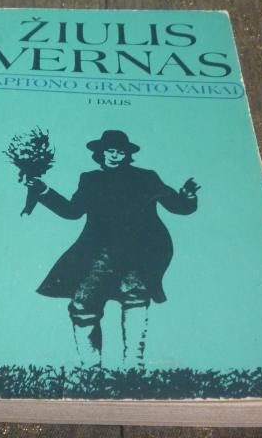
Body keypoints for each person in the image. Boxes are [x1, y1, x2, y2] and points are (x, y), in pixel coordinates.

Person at [26, 130, 199, 368]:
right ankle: (89, 369)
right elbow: (71, 212)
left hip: (140, 250)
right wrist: (44, 190)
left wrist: (188, 196)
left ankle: (133, 366)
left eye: (119, 151)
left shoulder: (146, 178)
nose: (115, 156)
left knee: (136, 297)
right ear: (101, 153)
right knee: (83, 304)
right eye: (110, 151)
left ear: (127, 155)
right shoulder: (90, 179)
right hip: (100, 253)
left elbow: (178, 207)